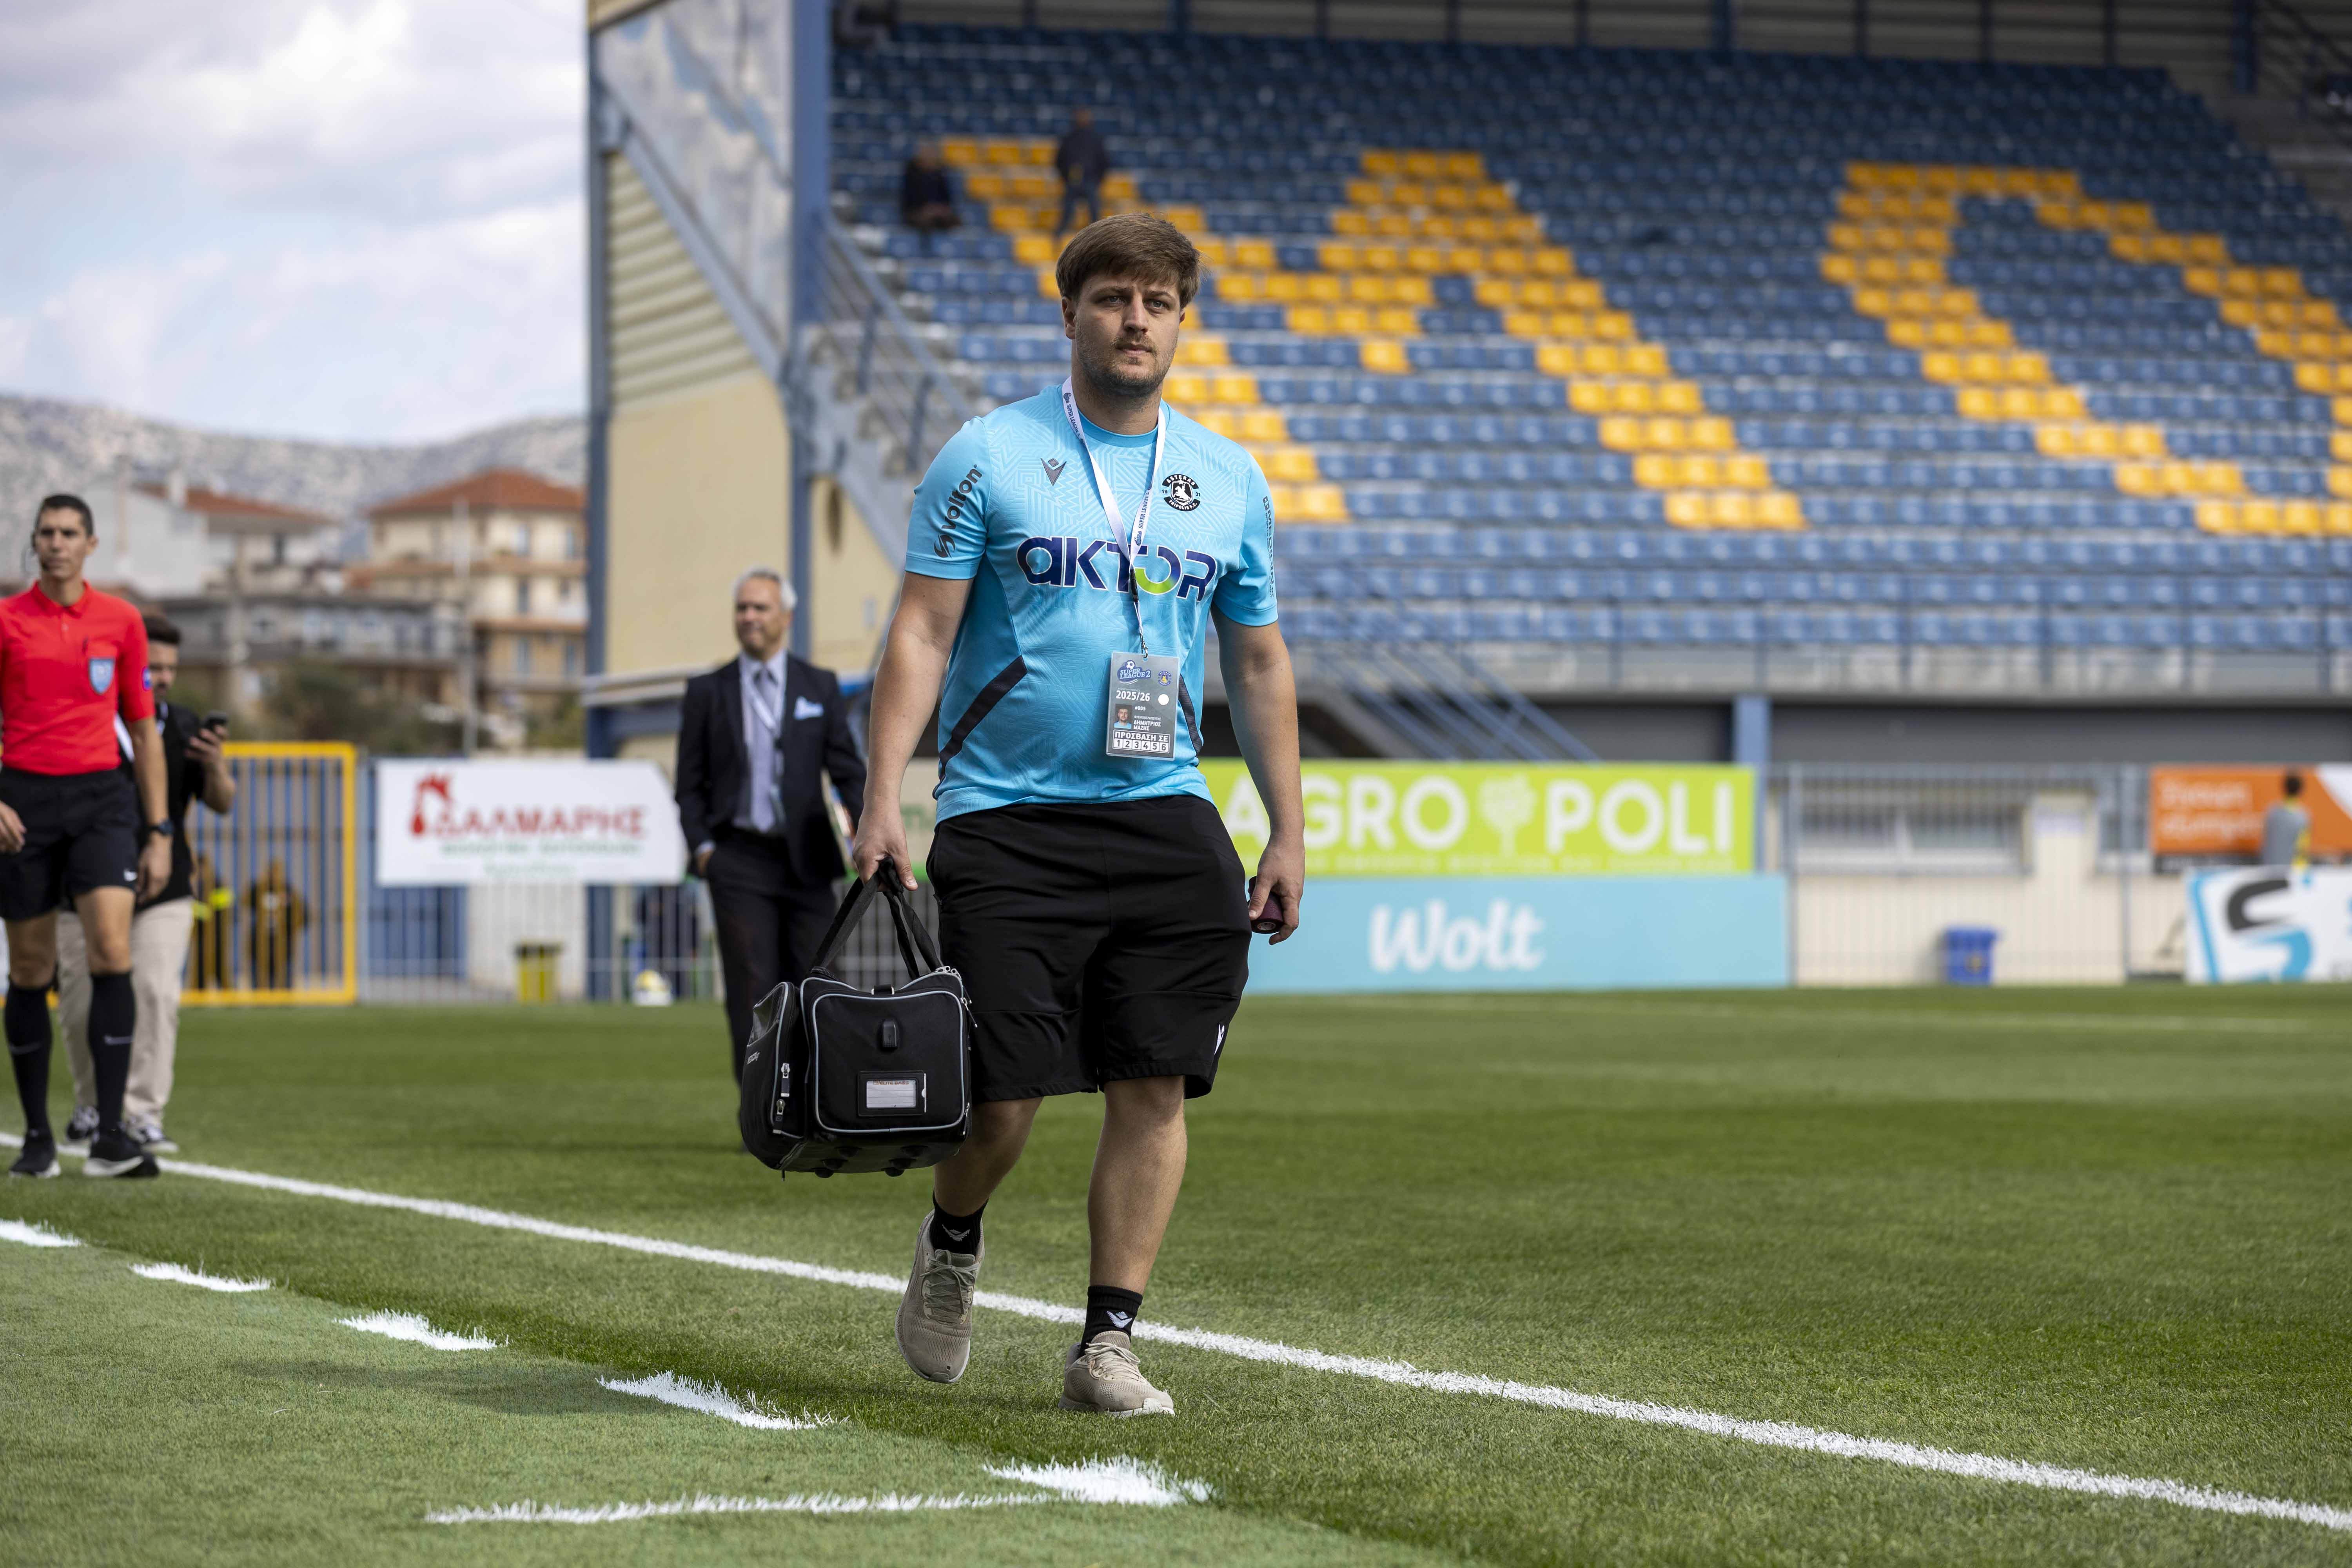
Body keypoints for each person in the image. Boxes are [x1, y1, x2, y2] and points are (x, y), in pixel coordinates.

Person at [853, 212, 1304, 1416]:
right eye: (1111, 298)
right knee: (1000, 1101)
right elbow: (920, 630)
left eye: (1157, 302)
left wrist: (1287, 829)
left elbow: (1259, 661)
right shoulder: (987, 455)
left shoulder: (1228, 479)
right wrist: (883, 795)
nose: (1134, 321)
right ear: (1069, 315)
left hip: (1166, 814)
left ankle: (1107, 1342)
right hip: (1009, 817)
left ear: (1182, 322)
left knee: (1155, 1083)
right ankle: (954, 1239)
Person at [2, 495, 174, 1180]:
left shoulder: (121, 620)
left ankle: (109, 1137)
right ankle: (38, 1138)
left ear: (90, 544)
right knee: (30, 971)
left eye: (69, 532)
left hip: (103, 800)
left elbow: (145, 732)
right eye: (46, 532)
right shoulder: (7, 620)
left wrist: (159, 831)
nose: (57, 543)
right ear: (35, 542)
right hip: (24, 801)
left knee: (111, 952)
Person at [674, 568, 867, 1079]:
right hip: (737, 859)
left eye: (760, 607)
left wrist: (868, 830)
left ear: (786, 616)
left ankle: (818, 1102)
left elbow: (849, 773)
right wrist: (705, 851)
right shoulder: (708, 690)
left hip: (807, 859)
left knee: (819, 982)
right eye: (742, 608)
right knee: (752, 989)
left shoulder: (819, 686)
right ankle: (760, 1110)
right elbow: (688, 786)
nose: (749, 617)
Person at [57, 613, 236, 1154]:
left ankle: (141, 1114)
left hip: (165, 885)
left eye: (170, 668)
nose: (163, 677)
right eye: (153, 667)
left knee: (156, 995)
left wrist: (216, 766)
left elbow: (222, 803)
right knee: (80, 1002)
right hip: (83, 884)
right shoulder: (84, 720)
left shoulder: (183, 725)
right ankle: (93, 1106)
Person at [240, 859, 308, 990]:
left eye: (278, 872)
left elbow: (303, 915)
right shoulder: (259, 889)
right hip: (259, 947)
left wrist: (289, 926)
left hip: (284, 948)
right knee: (259, 987)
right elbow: (245, 901)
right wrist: (261, 884)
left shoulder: (289, 892)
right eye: (272, 872)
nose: (275, 876)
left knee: (284, 988)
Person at [1052, 107, 1110, 239]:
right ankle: (1058, 239)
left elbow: (1104, 162)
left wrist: (1096, 180)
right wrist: (1067, 177)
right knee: (1067, 214)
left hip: (1090, 181)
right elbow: (1059, 161)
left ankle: (1098, 239)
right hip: (1073, 182)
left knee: (1095, 215)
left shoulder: (1095, 139)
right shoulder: (1069, 138)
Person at [900, 144, 961, 244]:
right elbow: (909, 199)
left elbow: (947, 197)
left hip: (938, 211)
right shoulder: (912, 176)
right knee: (926, 222)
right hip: (917, 211)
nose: (929, 157)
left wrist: (942, 208)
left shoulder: (940, 175)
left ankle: (950, 247)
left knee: (955, 220)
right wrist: (925, 209)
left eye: (931, 154)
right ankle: (926, 247)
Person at [2261, 769, 2310, 867]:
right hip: (2292, 869)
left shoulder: (2272, 813)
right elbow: (2303, 849)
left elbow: (2266, 843)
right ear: (2301, 790)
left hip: (2270, 867)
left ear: (2284, 787)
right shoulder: (2303, 817)